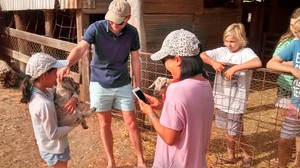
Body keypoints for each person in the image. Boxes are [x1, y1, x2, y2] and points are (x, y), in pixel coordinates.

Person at [56, 0, 146, 167]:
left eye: (117, 21)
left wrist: (137, 87)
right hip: (99, 83)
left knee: (132, 123)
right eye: (110, 19)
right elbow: (81, 47)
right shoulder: (96, 28)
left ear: (127, 18)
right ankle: (111, 161)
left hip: (122, 82)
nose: (112, 24)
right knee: (105, 124)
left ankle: (140, 160)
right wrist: (67, 63)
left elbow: (135, 60)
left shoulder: (132, 32)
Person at [138, 29, 214, 167]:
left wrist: (150, 113)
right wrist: (162, 106)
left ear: (178, 59)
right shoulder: (205, 83)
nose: (165, 66)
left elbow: (169, 138)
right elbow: (188, 114)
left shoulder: (177, 89)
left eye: (164, 61)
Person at [200, 23, 262, 167]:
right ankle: (231, 155)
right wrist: (213, 62)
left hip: (236, 101)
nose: (229, 44)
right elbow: (202, 54)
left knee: (235, 132)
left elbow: (257, 62)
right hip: (221, 98)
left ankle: (247, 155)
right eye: (226, 41)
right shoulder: (222, 51)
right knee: (227, 130)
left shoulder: (246, 53)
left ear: (241, 39)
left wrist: (235, 68)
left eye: (232, 41)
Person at [20, 52, 78, 168]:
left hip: (52, 146)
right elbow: (53, 134)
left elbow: (62, 92)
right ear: (44, 75)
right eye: (55, 72)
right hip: (54, 149)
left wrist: (74, 98)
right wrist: (75, 124)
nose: (57, 76)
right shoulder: (43, 104)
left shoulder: (43, 91)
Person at [266, 18, 300, 168]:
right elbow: (271, 63)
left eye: (299, 31)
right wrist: (292, 69)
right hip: (296, 104)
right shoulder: (295, 44)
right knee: (285, 140)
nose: (296, 34)